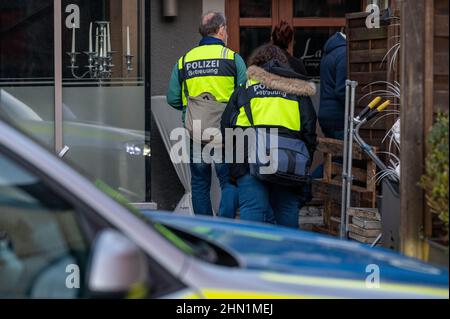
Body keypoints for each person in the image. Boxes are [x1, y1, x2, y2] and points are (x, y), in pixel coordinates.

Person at [222, 44, 317, 228]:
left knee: (253, 213)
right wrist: (304, 161)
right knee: (287, 212)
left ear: (256, 65)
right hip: (288, 161)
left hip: (248, 159)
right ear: (284, 65)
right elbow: (309, 129)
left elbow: (227, 126)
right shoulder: (296, 91)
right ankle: (285, 255)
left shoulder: (245, 88)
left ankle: (253, 255)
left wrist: (233, 165)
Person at [166, 11, 247, 217]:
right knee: (229, 181)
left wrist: (189, 109)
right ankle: (225, 226)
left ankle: (205, 231)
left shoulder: (184, 60)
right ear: (221, 30)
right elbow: (245, 96)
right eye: (226, 30)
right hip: (225, 132)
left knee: (200, 184)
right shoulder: (232, 58)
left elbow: (172, 98)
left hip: (196, 131)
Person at [312, 31, 347, 179]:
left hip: (326, 116)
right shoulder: (344, 53)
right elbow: (341, 90)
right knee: (345, 157)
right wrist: (356, 110)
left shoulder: (330, 52)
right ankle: (307, 188)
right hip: (338, 118)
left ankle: (322, 192)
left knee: (336, 157)